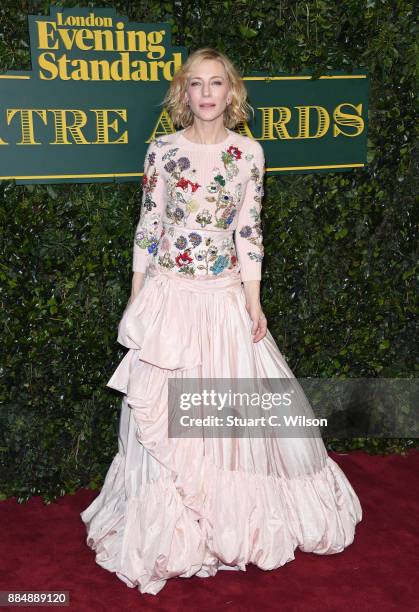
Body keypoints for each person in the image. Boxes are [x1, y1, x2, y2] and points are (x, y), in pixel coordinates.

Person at [80, 47, 362, 596]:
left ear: (231, 93)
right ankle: (176, 521)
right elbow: (148, 226)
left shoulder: (248, 154)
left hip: (225, 297)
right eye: (195, 83)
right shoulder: (162, 152)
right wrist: (137, 299)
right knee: (166, 414)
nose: (206, 92)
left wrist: (255, 302)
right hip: (170, 300)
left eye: (216, 83)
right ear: (182, 94)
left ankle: (232, 518)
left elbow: (249, 232)